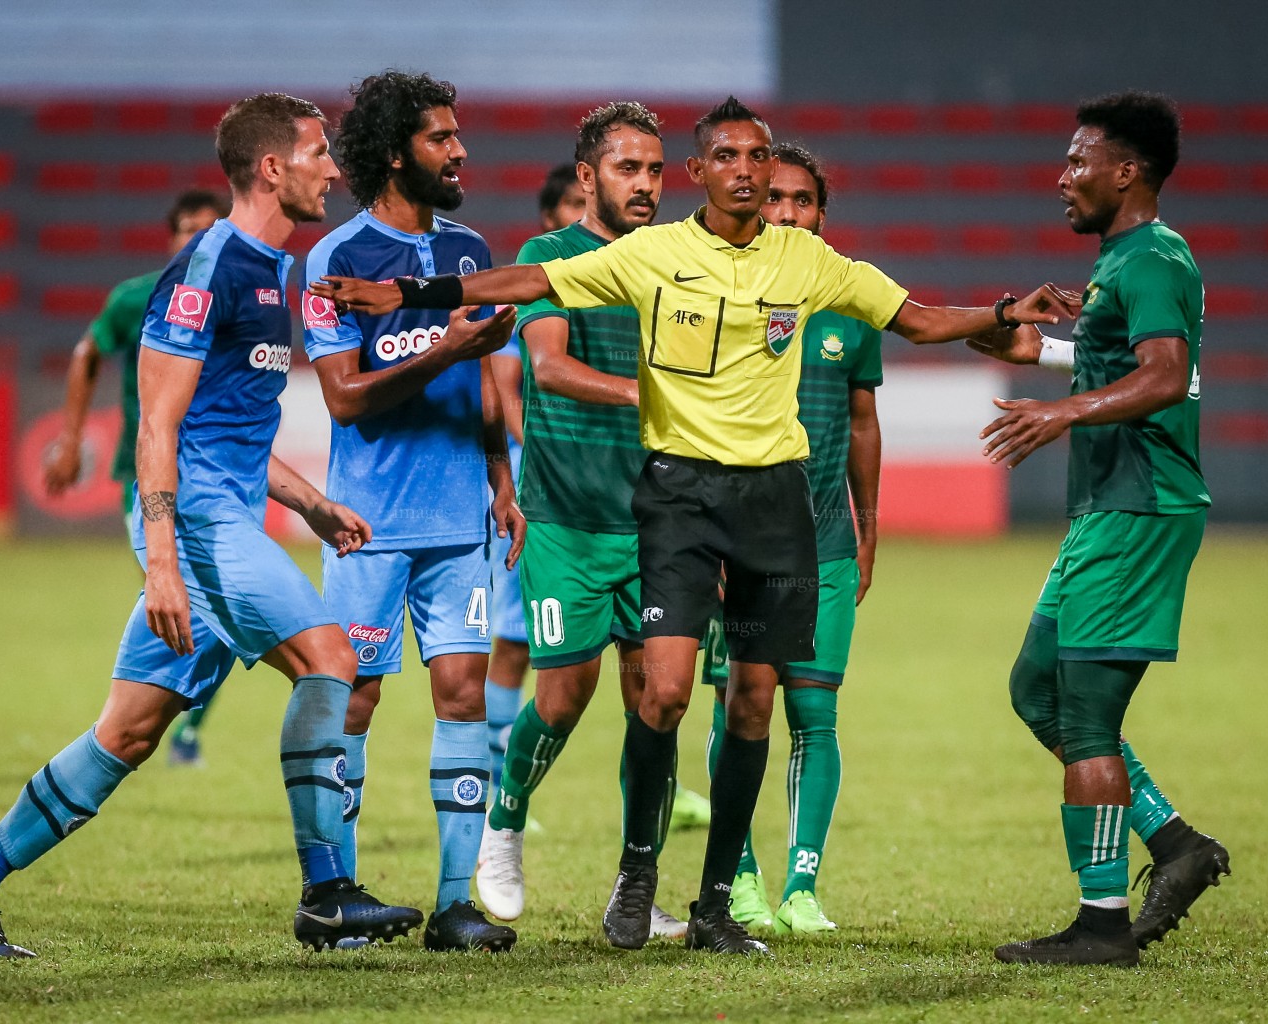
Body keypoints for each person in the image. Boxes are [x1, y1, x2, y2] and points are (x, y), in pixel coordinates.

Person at [312, 95, 1068, 956]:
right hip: (665, 502)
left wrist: (1006, 312)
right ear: (701, 172)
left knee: (748, 702)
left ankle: (710, 903)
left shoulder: (808, 261)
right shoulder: (655, 253)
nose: (746, 171)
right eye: (727, 157)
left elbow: (922, 320)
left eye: (759, 156)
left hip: (771, 504)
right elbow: (526, 289)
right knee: (646, 693)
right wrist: (404, 291)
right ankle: (602, 855)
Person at [0, 93, 423, 958]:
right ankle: (328, 896)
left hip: (220, 516)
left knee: (129, 730)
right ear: (272, 167)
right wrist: (162, 563)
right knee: (331, 659)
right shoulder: (209, 269)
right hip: (194, 526)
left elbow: (223, 430)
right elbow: (156, 427)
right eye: (317, 153)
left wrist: (309, 502)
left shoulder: (272, 270)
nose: (333, 170)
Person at [964, 91, 1229, 967]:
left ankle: (1102, 923)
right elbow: (1113, 357)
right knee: (1036, 688)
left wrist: (1062, 413)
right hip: (1108, 511)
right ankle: (1177, 844)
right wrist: (1022, 339)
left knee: (1083, 718)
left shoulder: (1151, 257)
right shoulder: (1128, 262)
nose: (1062, 176)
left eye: (1078, 162)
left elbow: (1163, 375)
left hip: (1138, 507)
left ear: (1127, 172)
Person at [301, 70, 521, 953]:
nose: (460, 149)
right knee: (352, 699)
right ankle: (339, 897)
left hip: (460, 517)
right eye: (441, 137)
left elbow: (484, 377)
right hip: (370, 522)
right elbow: (346, 401)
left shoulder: (470, 251)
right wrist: (448, 350)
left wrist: (502, 478)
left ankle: (454, 903)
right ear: (396, 154)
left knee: (463, 693)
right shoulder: (335, 259)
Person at [472, 102, 701, 943]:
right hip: (567, 519)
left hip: (662, 520)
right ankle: (504, 821)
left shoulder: (680, 262)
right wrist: (647, 394)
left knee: (661, 698)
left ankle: (636, 883)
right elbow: (550, 366)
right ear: (587, 178)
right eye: (626, 169)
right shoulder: (551, 256)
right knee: (564, 696)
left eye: (654, 169)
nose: (645, 185)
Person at [700, 142, 881, 936]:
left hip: (827, 540)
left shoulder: (848, 301)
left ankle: (802, 888)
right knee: (741, 704)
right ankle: (737, 880)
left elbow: (864, 421)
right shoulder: (720, 291)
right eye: (774, 198)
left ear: (821, 214)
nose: (786, 212)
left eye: (803, 200)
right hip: (736, 538)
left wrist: (868, 525)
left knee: (814, 711)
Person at [43, 188, 231, 770]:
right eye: (187, 230)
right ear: (170, 237)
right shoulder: (137, 297)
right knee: (192, 609)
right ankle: (133, 729)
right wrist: (72, 441)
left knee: (220, 620)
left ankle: (172, 729)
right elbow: (87, 354)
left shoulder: (235, 294)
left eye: (210, 229)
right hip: (151, 480)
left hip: (221, 481)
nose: (198, 240)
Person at [479, 163, 583, 823]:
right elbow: (503, 389)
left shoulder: (609, 285)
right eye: (572, 205)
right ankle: (496, 778)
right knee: (514, 641)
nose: (582, 215)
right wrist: (535, 454)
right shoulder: (530, 289)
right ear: (548, 221)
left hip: (585, 486)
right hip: (528, 483)